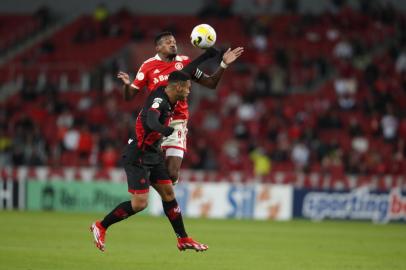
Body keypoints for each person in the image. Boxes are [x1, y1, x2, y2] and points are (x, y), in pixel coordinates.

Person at [91, 71, 209, 252]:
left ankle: (183, 238)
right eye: (187, 87)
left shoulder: (167, 92)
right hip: (138, 154)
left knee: (169, 193)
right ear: (178, 87)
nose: (189, 91)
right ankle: (101, 226)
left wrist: (210, 55)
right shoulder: (160, 102)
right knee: (140, 204)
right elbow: (152, 121)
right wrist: (165, 130)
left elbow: (185, 72)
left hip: (153, 155)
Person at [117, 31, 243, 184]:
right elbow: (129, 96)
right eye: (168, 42)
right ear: (158, 47)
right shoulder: (148, 66)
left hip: (177, 120)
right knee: (144, 167)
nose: (172, 44)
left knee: (171, 173)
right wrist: (126, 85)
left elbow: (210, 83)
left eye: (174, 42)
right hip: (155, 120)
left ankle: (167, 190)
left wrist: (223, 64)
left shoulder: (184, 62)